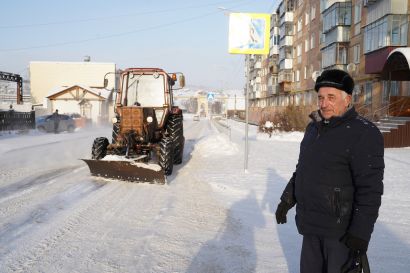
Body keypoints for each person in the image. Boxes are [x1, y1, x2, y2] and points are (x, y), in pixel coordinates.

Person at [275, 69, 384, 273]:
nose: (324, 103)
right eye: (321, 98)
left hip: (340, 233)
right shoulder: (313, 129)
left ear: (347, 99)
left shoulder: (363, 133)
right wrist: (287, 199)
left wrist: (360, 233)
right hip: (311, 226)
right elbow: (303, 170)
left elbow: (370, 189)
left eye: (331, 97)